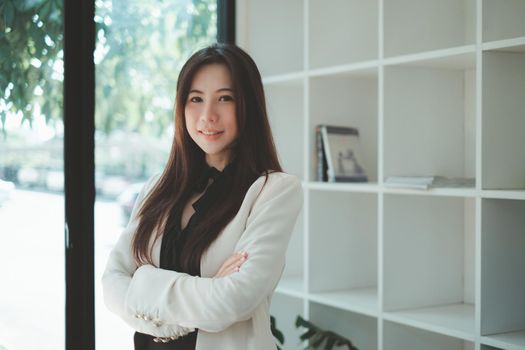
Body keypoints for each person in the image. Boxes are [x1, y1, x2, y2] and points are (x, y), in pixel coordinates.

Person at [102, 43, 303, 350]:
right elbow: (112, 284)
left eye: (225, 98)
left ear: (247, 104)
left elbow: (234, 300)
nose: (207, 115)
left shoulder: (274, 190)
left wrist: (143, 283)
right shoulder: (157, 189)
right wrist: (204, 294)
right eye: (196, 99)